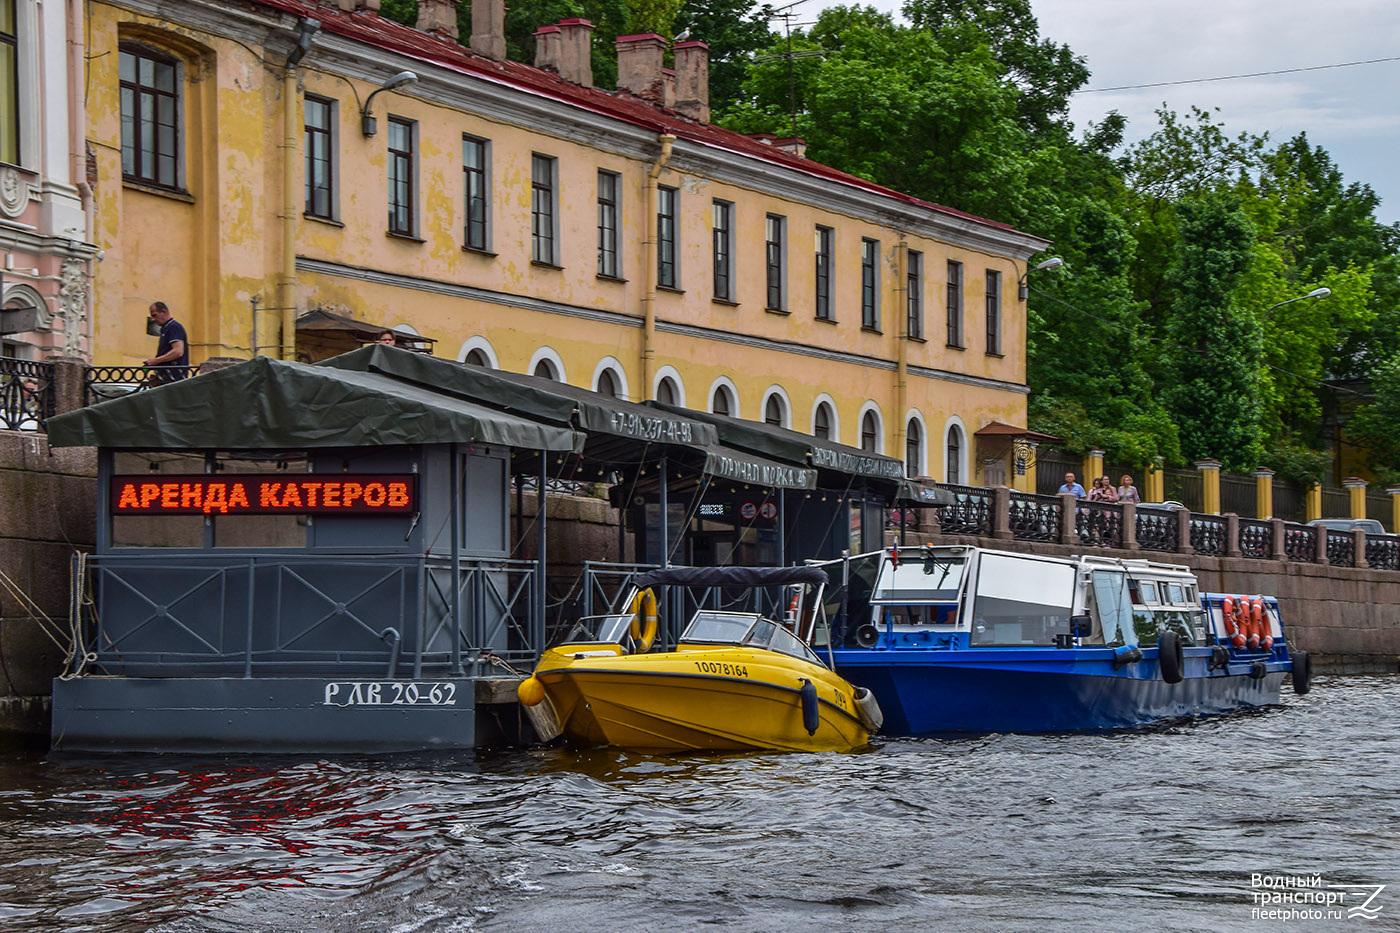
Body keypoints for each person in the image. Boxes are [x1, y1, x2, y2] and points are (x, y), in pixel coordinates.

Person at [143, 301, 189, 383]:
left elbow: (178, 351)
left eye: (154, 315)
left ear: (163, 312)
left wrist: (155, 361)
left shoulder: (174, 327)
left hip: (173, 378)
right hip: (167, 377)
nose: (153, 319)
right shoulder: (166, 328)